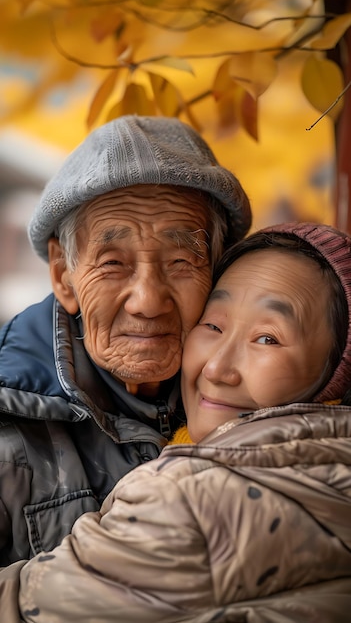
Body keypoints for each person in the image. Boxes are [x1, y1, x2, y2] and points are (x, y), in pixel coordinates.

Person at [2, 221, 351, 623]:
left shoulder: (190, 496)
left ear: (335, 372)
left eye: (267, 338)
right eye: (213, 325)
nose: (217, 368)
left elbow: (23, 606)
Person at [0, 115, 251, 566]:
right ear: (64, 275)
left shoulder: (264, 394)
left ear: (218, 267)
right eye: (113, 263)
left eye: (180, 260)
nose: (148, 301)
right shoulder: (8, 431)